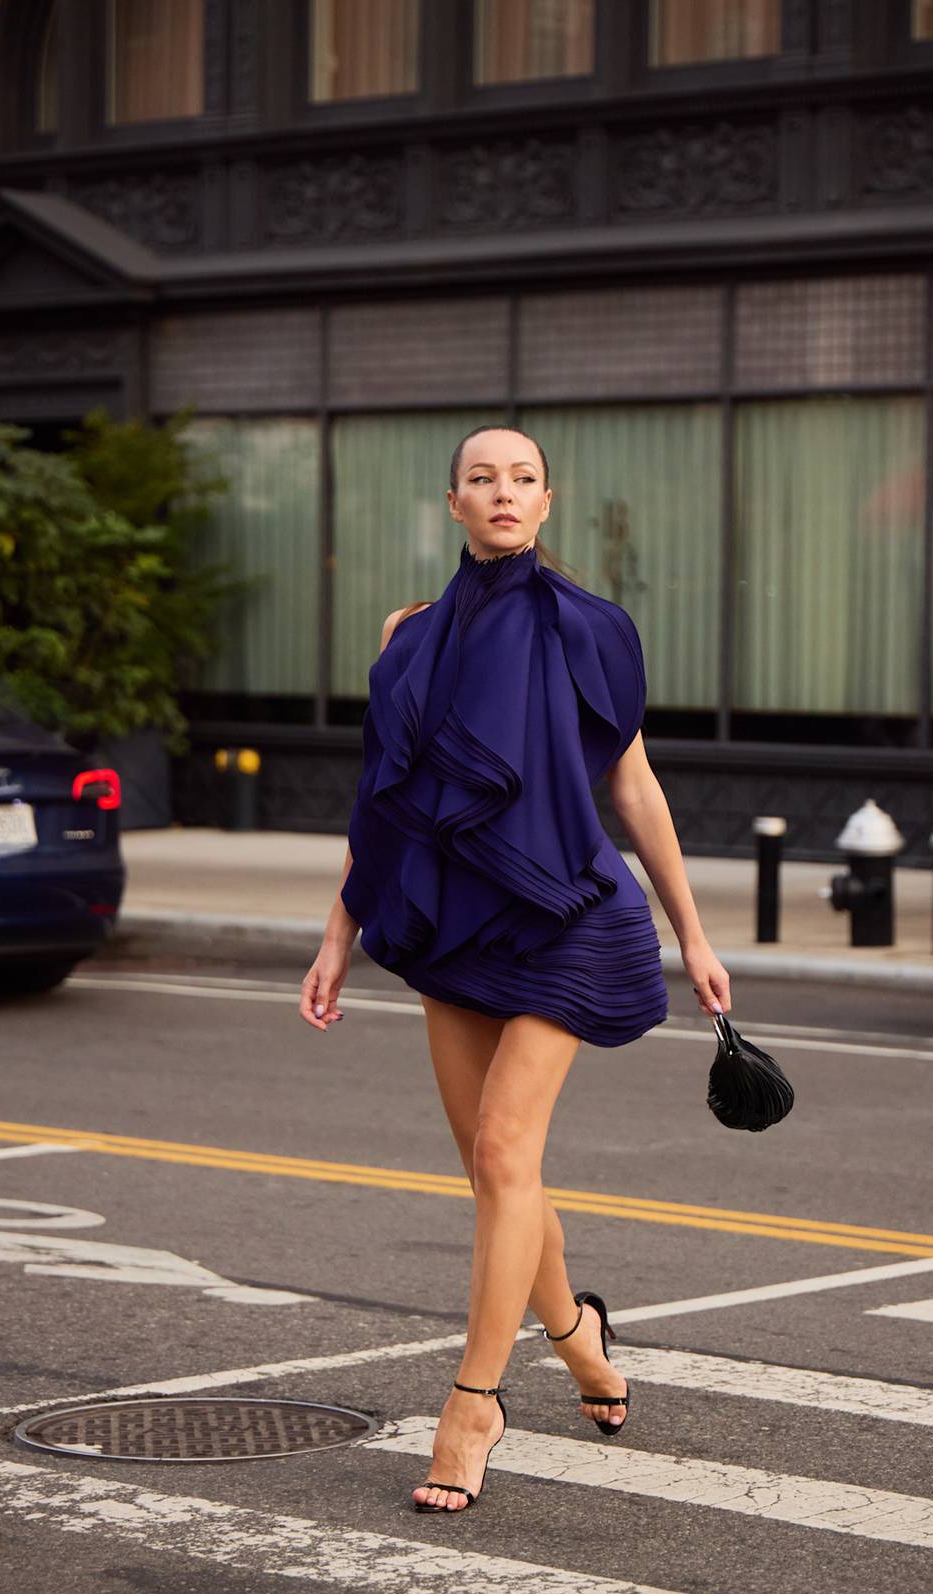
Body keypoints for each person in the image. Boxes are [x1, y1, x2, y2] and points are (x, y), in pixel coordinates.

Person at [299, 425, 731, 1514]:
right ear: (454, 503)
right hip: (455, 926)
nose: (504, 492)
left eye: (523, 478)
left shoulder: (591, 630)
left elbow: (634, 791)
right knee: (499, 1175)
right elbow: (383, 806)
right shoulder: (406, 637)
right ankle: (580, 1339)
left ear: (548, 503)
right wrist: (338, 933)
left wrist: (693, 929)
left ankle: (474, 1402)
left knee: (503, 1148)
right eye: (483, 478)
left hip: (570, 915)